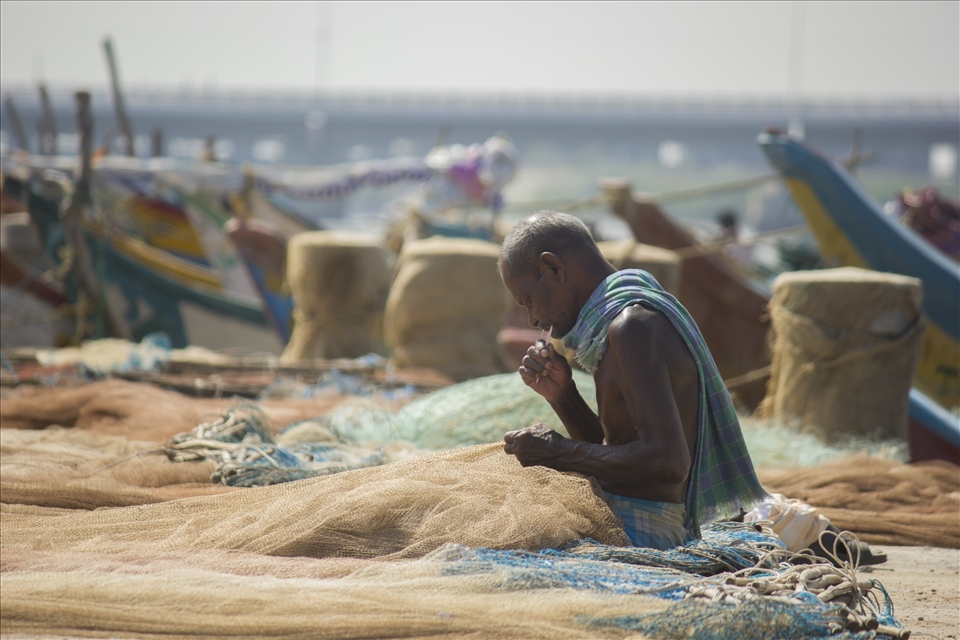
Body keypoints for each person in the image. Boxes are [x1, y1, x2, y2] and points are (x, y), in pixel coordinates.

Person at [498, 211, 767, 549]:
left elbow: (667, 463)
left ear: (553, 268)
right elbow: (618, 454)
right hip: (633, 516)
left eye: (528, 300)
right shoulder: (613, 327)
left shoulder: (632, 327)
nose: (533, 318)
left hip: (644, 529)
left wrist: (559, 453)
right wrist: (564, 396)